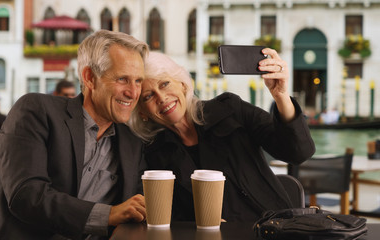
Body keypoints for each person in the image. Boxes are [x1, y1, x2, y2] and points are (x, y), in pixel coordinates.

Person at [0, 30, 149, 240]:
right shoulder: (36, 110)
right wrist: (110, 214)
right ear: (90, 78)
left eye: (138, 81)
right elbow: (26, 195)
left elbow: (136, 209)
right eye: (122, 79)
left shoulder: (132, 142)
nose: (133, 92)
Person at [127, 50, 315, 222]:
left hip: (275, 228)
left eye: (165, 84)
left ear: (183, 85)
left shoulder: (230, 108)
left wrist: (281, 96)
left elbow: (298, 153)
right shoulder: (152, 153)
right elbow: (166, 216)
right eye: (148, 96)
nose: (161, 97)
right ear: (142, 112)